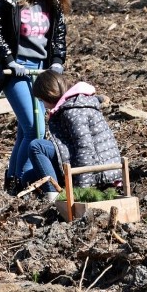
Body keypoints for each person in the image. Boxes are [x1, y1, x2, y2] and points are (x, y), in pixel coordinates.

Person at [0, 0, 70, 195]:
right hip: (14, 69)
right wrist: (10, 61)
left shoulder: (52, 1)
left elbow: (59, 38)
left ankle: (12, 179)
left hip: (41, 70)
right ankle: (23, 180)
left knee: (27, 128)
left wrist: (57, 61)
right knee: (33, 126)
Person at [26, 70, 123, 202]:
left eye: (42, 100)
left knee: (37, 146)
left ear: (49, 94)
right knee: (28, 177)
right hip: (87, 166)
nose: (43, 105)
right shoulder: (74, 104)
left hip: (99, 173)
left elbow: (85, 149)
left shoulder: (74, 111)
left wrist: (81, 189)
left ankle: (54, 198)